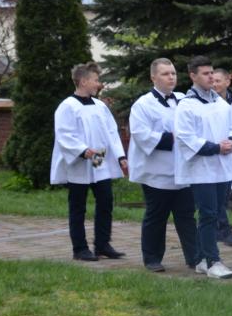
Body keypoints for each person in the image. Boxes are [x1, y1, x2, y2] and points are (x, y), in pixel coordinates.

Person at [50, 61, 128, 261]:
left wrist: (120, 156)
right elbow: (64, 134)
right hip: (80, 161)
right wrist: (82, 150)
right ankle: (80, 248)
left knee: (105, 201)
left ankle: (102, 244)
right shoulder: (67, 106)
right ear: (83, 81)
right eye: (95, 80)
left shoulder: (100, 106)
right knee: (78, 206)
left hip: (99, 157)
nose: (98, 84)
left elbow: (111, 131)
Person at [127, 57, 198, 272]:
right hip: (155, 172)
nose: (171, 77)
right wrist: (173, 138)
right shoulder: (143, 105)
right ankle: (152, 258)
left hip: (182, 171)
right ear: (153, 77)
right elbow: (141, 134)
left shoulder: (184, 99)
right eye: (165, 74)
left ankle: (195, 257)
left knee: (186, 216)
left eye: (173, 73)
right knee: (157, 216)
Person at [174, 56, 232, 279]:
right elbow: (186, 138)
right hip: (201, 170)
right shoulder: (186, 105)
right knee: (208, 214)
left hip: (223, 167)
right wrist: (215, 148)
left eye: (212, 73)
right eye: (205, 73)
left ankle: (202, 258)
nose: (211, 77)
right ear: (193, 76)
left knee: (217, 212)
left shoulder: (221, 103)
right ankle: (213, 261)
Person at [211, 68, 232, 247]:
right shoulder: (207, 103)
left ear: (227, 82)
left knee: (223, 196)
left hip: (230, 155)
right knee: (214, 196)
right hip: (212, 153)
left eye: (218, 81)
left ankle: (217, 229)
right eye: (213, 81)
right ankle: (225, 229)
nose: (214, 84)